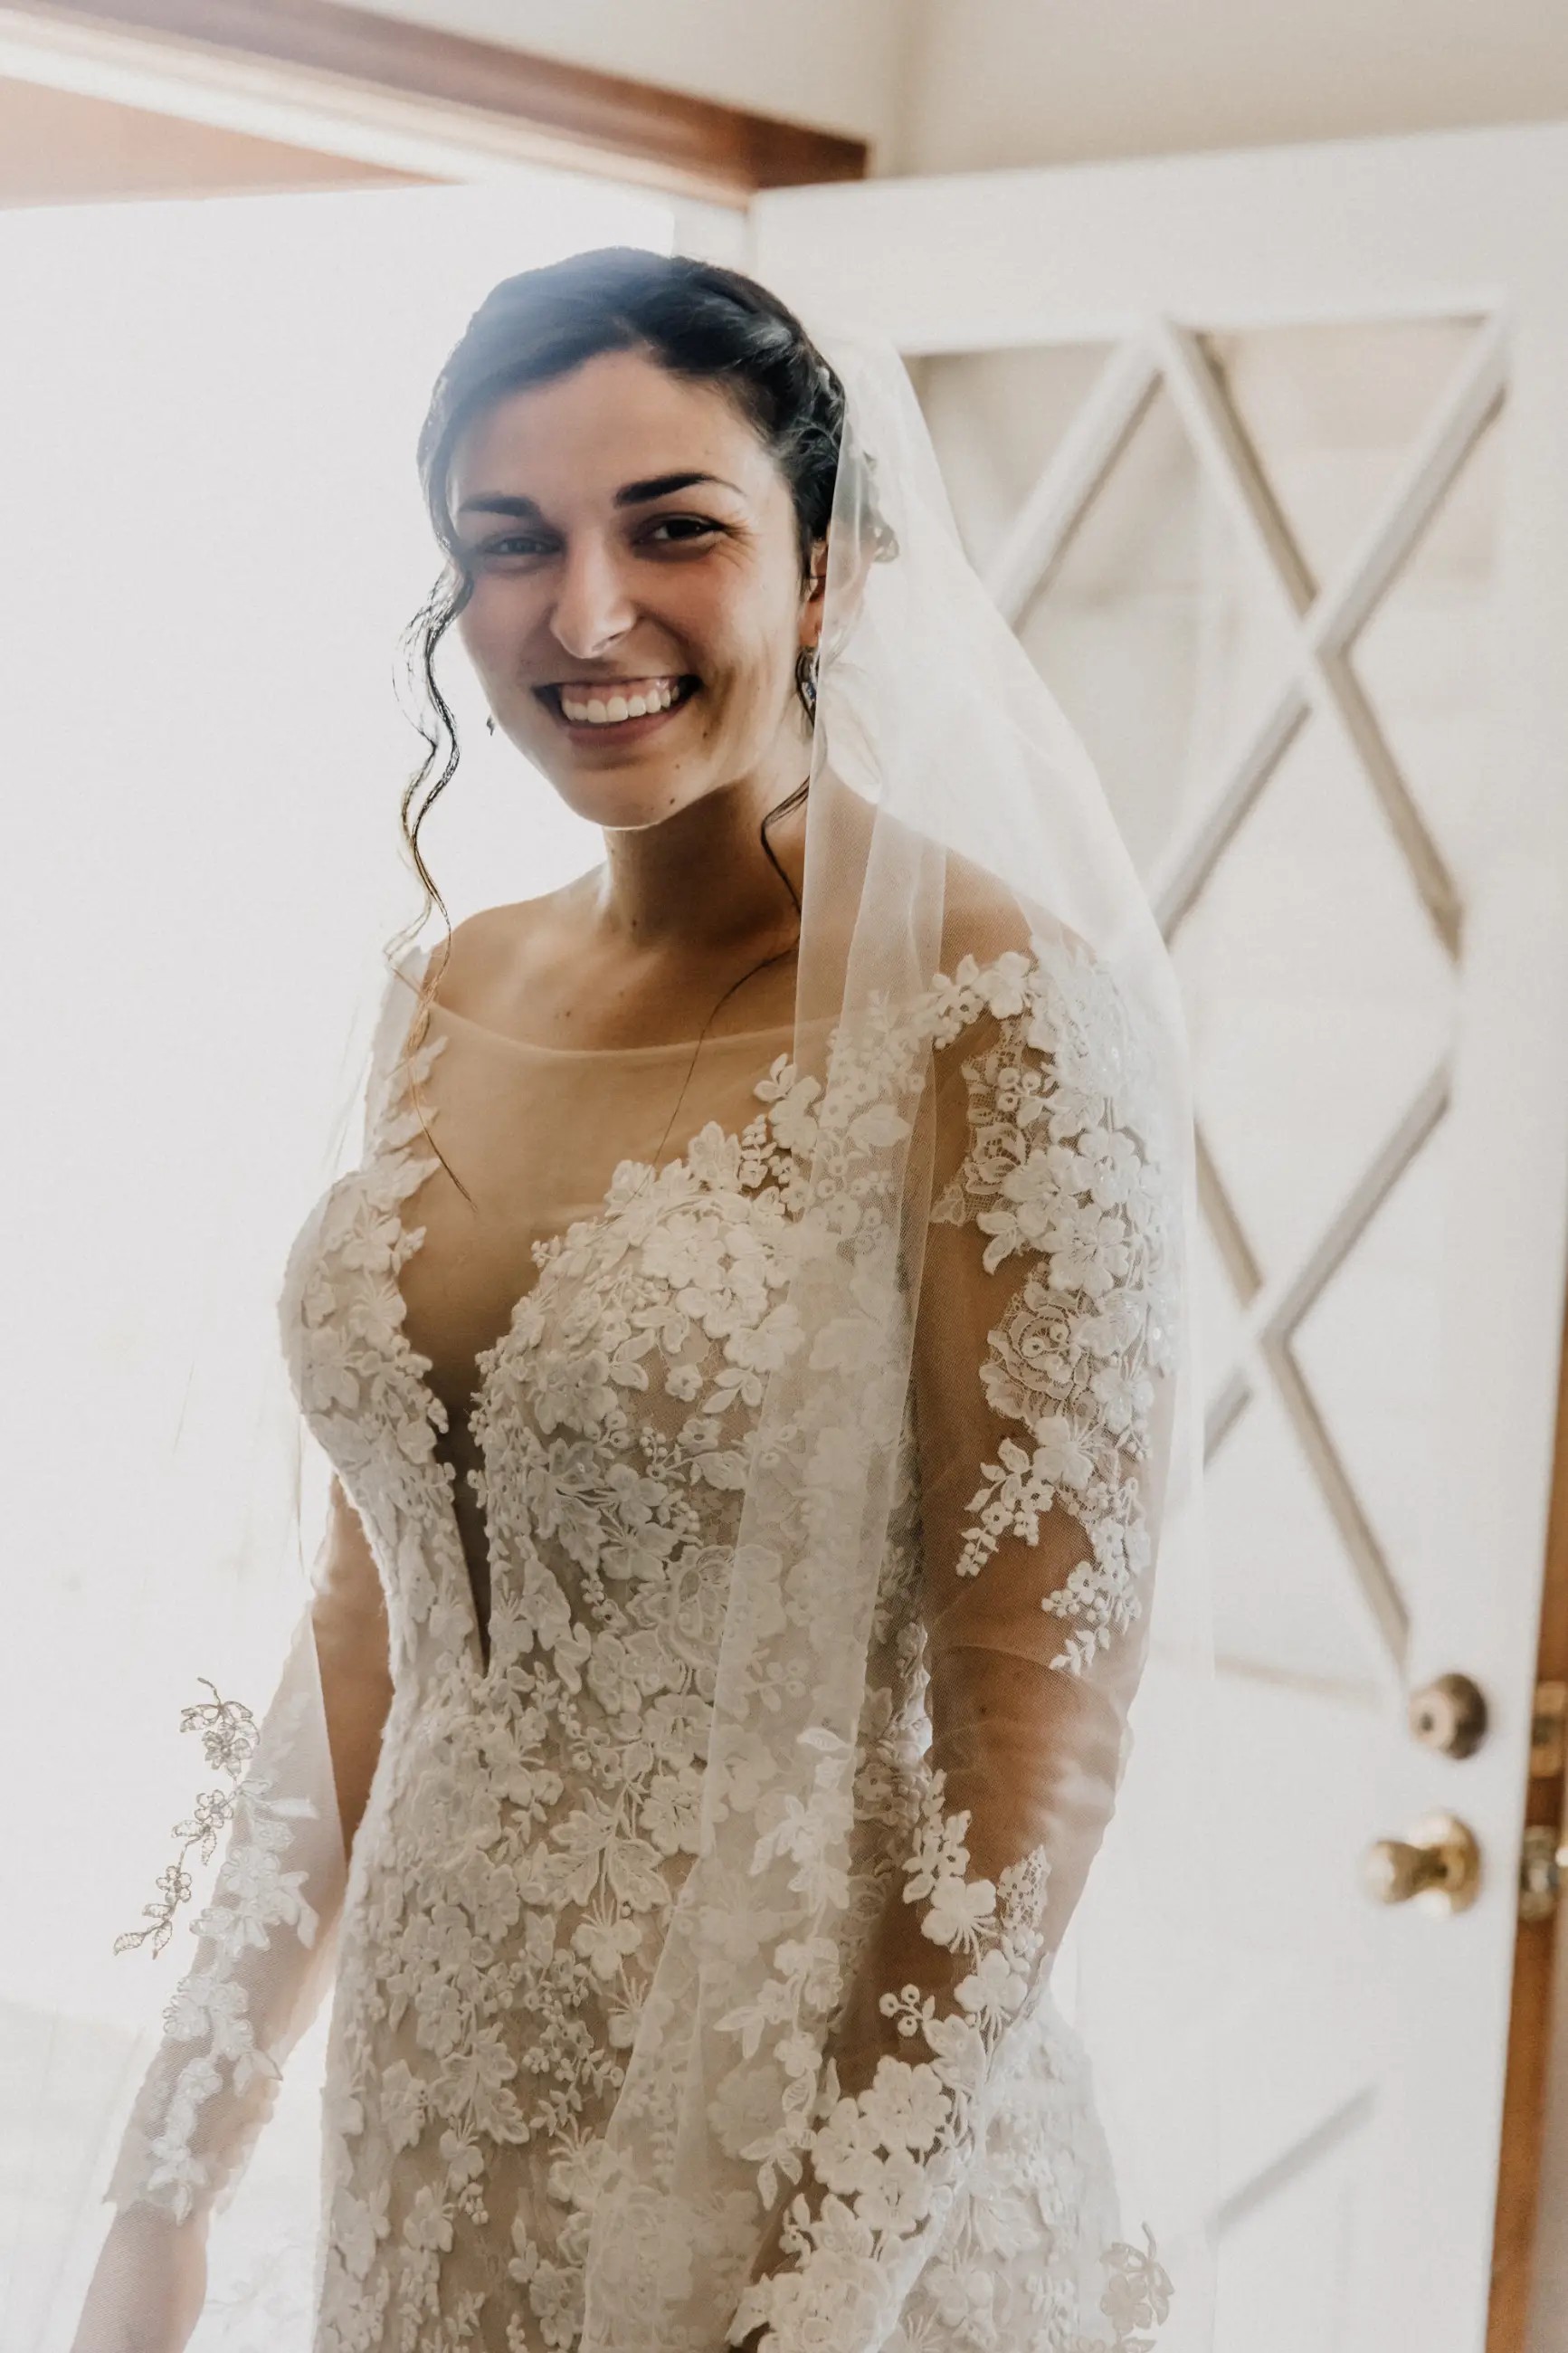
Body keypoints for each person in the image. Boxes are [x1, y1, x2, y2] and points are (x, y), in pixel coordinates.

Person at [70, 247, 1208, 2352]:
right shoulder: (449, 986)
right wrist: (172, 2166)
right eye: (513, 547)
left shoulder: (999, 1017)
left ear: (832, 565)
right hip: (432, 2142)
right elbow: (368, 1623)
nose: (585, 616)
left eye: (674, 528)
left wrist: (809, 2290)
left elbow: (1033, 1712)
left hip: (811, 2170)